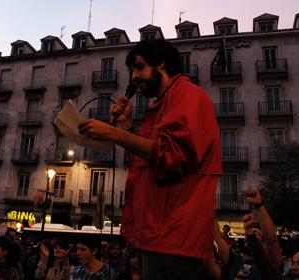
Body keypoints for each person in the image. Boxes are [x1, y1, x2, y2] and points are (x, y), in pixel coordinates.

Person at [79, 38, 222, 279]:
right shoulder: (163, 106)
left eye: (139, 67)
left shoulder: (187, 95)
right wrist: (126, 127)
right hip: (158, 237)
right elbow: (153, 156)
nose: (134, 76)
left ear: (161, 64)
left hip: (172, 238)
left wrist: (113, 134)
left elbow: (173, 157)